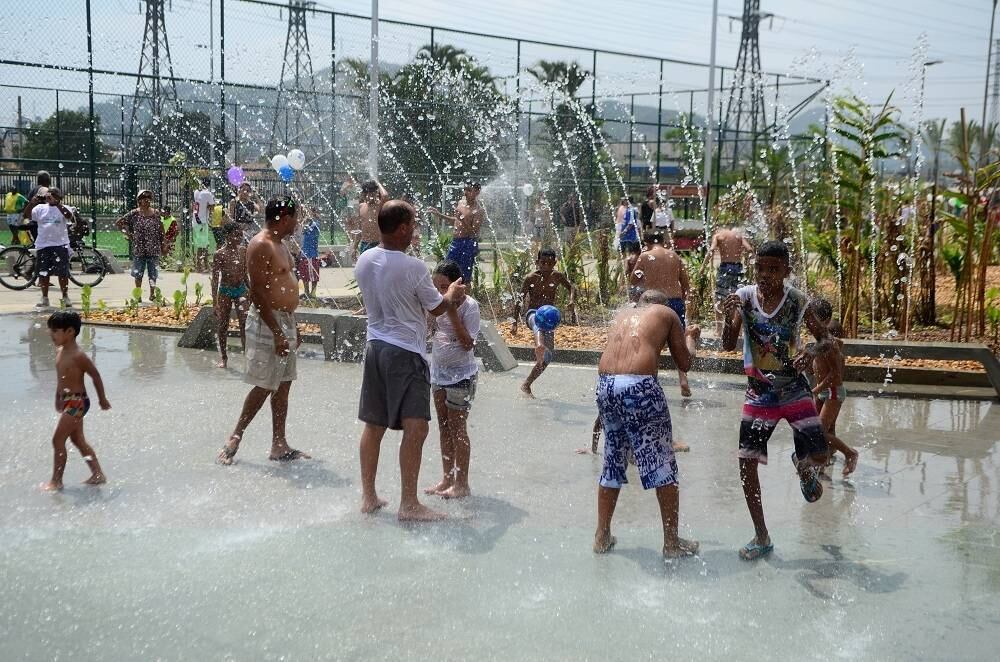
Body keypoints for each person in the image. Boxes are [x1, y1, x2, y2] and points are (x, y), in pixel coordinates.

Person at [354, 199, 466, 521]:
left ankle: (369, 496)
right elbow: (436, 308)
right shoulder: (413, 267)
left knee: (373, 425)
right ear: (402, 227)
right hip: (405, 352)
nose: (415, 230)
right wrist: (453, 295)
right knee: (416, 429)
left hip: (375, 348)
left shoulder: (364, 260)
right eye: (413, 224)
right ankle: (409, 504)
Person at [721, 240, 830, 562]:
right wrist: (729, 319)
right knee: (746, 464)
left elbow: (826, 339)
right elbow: (728, 345)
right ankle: (761, 535)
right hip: (759, 392)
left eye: (773, 268)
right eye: (761, 268)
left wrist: (809, 352)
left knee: (821, 455)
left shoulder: (798, 302)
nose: (766, 274)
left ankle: (804, 465)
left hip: (794, 388)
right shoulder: (743, 297)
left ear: (786, 271)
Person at [592, 289, 700, 558]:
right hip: (639, 387)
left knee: (613, 459)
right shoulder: (667, 313)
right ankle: (672, 543)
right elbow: (684, 363)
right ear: (661, 305)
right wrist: (690, 339)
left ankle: (602, 535)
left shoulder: (623, 315)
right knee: (662, 461)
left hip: (605, 386)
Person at [218, 196, 311, 465]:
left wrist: (292, 326)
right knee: (263, 383)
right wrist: (277, 332)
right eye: (295, 217)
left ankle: (279, 444)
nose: (297, 222)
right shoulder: (260, 244)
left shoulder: (281, 244)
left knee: (283, 384)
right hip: (267, 321)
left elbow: (284, 284)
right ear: (283, 217)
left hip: (285, 320)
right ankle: (235, 435)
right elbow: (256, 291)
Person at [424, 260, 481, 500]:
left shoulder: (470, 307)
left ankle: (462, 483)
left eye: (445, 287)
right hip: (438, 374)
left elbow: (468, 343)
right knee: (443, 428)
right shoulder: (437, 305)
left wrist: (450, 311)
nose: (440, 293)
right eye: (436, 287)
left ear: (459, 286)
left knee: (458, 429)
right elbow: (429, 332)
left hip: (461, 376)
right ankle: (447, 478)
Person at [42, 311, 109, 491]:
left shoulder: (78, 356)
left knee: (57, 440)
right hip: (68, 401)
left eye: (55, 331)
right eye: (50, 330)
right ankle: (98, 474)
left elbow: (95, 375)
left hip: (77, 402)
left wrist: (102, 399)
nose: (51, 334)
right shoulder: (60, 352)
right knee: (78, 440)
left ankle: (56, 481)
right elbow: (62, 379)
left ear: (70, 332)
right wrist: (58, 397)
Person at [630, 232, 698, 398]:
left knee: (652, 343)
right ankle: (683, 381)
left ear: (646, 243)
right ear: (663, 242)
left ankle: (652, 381)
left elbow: (633, 279)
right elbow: (686, 284)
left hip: (654, 304)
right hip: (675, 302)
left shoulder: (645, 256)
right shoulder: (674, 256)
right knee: (679, 342)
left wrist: (644, 277)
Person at [802, 298, 858, 478]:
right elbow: (818, 367)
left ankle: (850, 453)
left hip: (833, 392)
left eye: (811, 319)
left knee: (819, 431)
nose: (808, 323)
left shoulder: (830, 345)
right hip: (825, 392)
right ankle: (825, 456)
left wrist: (815, 390)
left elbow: (835, 375)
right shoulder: (822, 342)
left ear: (822, 321)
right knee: (827, 429)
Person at [512, 248, 576, 398]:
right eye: (542, 263)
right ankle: (539, 344)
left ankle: (526, 384)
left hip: (549, 318)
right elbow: (520, 299)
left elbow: (571, 287)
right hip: (532, 314)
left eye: (549, 263)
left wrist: (571, 300)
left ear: (554, 263)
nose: (546, 266)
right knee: (537, 322)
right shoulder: (530, 278)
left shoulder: (557, 276)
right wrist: (514, 322)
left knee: (547, 357)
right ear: (537, 263)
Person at [22, 187, 74, 309]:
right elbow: (26, 215)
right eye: (49, 194)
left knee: (63, 273)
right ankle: (44, 297)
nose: (50, 196)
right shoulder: (40, 208)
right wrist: (31, 203)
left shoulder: (65, 208)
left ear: (59, 197)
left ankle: (65, 296)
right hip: (43, 245)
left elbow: (69, 216)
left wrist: (57, 204)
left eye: (54, 194)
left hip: (60, 245)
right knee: (43, 273)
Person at [702, 223, 754, 334]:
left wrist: (703, 267)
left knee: (720, 298)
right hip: (738, 268)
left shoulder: (719, 235)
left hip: (725, 268)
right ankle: (738, 330)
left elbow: (711, 251)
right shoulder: (738, 236)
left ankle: (719, 329)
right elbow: (750, 249)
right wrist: (750, 265)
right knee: (738, 298)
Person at [428, 181, 484, 285]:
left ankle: (465, 300)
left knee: (464, 277)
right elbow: (456, 220)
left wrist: (462, 219)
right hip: (455, 242)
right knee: (445, 270)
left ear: (477, 192)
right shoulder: (461, 203)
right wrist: (439, 215)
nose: (465, 193)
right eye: (465, 189)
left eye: (469, 190)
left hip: (468, 243)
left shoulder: (478, 210)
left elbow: (474, 232)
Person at [211, 223, 249, 369]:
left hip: (240, 289)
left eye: (240, 235)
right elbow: (215, 279)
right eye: (236, 235)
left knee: (244, 323)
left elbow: (245, 274)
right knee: (223, 324)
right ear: (227, 236)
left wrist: (250, 290)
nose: (239, 238)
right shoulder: (219, 254)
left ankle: (247, 355)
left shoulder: (243, 251)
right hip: (225, 291)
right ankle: (224, 357)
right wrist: (215, 302)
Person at [116, 190, 165, 302]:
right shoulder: (134, 213)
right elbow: (119, 223)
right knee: (139, 273)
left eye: (148, 197)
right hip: (139, 248)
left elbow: (161, 229)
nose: (146, 200)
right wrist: (128, 234)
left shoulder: (156, 213)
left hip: (153, 247)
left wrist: (164, 243)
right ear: (139, 200)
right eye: (143, 198)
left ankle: (152, 294)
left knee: (153, 273)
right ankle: (138, 294)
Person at [353, 180, 389, 258]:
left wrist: (378, 183)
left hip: (378, 244)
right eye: (367, 193)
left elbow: (385, 195)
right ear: (363, 194)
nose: (369, 196)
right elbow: (359, 229)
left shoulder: (380, 205)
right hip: (365, 243)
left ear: (376, 193)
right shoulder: (361, 206)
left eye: (372, 193)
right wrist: (354, 247)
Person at [192, 178, 215, 272]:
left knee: (199, 245)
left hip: (195, 221)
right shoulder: (207, 193)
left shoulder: (196, 192)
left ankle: (199, 265)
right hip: (202, 222)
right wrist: (209, 207)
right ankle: (203, 266)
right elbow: (212, 207)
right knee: (204, 245)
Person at [297, 213, 322, 299]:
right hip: (305, 254)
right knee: (304, 275)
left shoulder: (315, 224)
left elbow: (305, 229)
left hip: (311, 255)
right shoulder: (307, 224)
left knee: (313, 275)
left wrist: (306, 220)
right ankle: (307, 292)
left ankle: (313, 292)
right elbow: (302, 230)